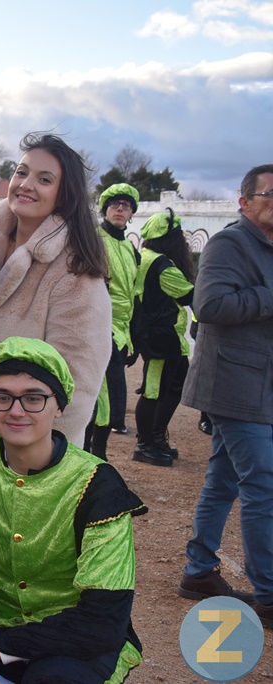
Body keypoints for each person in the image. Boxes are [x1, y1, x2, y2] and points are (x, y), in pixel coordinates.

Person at [0, 337, 146, 684]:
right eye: (3, 397)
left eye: (33, 398)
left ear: (58, 406)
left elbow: (103, 619)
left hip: (75, 640)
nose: (16, 411)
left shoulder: (98, 486)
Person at [0, 133, 111, 447]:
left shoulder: (75, 273)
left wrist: (36, 455)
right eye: (21, 172)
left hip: (25, 452)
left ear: (64, 195)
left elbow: (78, 383)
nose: (26, 184)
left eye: (44, 179)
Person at [179, 164, 273, 627]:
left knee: (224, 479)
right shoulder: (228, 243)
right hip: (234, 385)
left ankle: (198, 571)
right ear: (245, 201)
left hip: (261, 386)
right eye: (270, 194)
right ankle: (269, 593)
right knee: (264, 484)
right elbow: (209, 305)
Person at [130, 209, 194, 467]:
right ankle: (146, 444)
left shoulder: (143, 256)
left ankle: (155, 438)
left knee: (173, 384)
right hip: (162, 336)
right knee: (154, 390)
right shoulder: (162, 265)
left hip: (159, 335)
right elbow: (188, 296)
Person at [83, 183, 140, 458]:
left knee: (110, 401)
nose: (120, 209)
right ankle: (91, 455)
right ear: (105, 209)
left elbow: (135, 293)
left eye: (126, 205)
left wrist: (135, 337)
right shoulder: (93, 240)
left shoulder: (130, 248)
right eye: (114, 204)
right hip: (97, 328)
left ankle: (98, 455)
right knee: (99, 398)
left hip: (121, 331)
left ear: (131, 213)